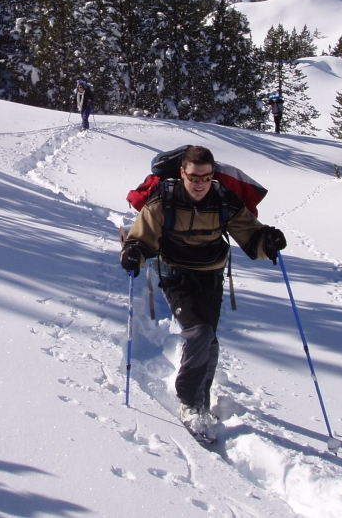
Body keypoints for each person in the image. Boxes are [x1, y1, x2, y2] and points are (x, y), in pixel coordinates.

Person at [119, 145, 287, 440]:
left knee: (208, 340)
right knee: (199, 332)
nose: (200, 184)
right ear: (182, 173)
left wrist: (268, 242)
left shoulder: (223, 199)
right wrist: (133, 253)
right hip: (175, 275)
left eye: (206, 178)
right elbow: (141, 239)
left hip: (211, 276)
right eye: (194, 177)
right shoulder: (164, 200)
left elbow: (251, 236)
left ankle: (201, 400)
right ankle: (190, 402)